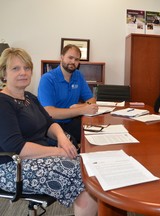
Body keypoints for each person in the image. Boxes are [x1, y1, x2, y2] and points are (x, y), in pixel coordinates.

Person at [0, 48, 98, 215]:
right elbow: (17, 147)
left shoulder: (30, 98)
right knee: (84, 176)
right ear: (4, 74)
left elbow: (49, 123)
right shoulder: (3, 102)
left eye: (27, 68)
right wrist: (58, 152)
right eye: (15, 68)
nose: (23, 72)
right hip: (13, 167)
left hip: (38, 157)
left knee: (90, 167)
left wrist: (62, 138)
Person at [38, 44, 98, 143]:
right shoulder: (47, 79)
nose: (73, 62)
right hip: (52, 126)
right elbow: (49, 112)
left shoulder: (78, 75)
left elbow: (91, 100)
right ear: (61, 57)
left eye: (77, 59)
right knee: (72, 144)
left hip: (72, 122)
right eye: (70, 57)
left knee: (93, 137)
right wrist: (81, 109)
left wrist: (79, 107)